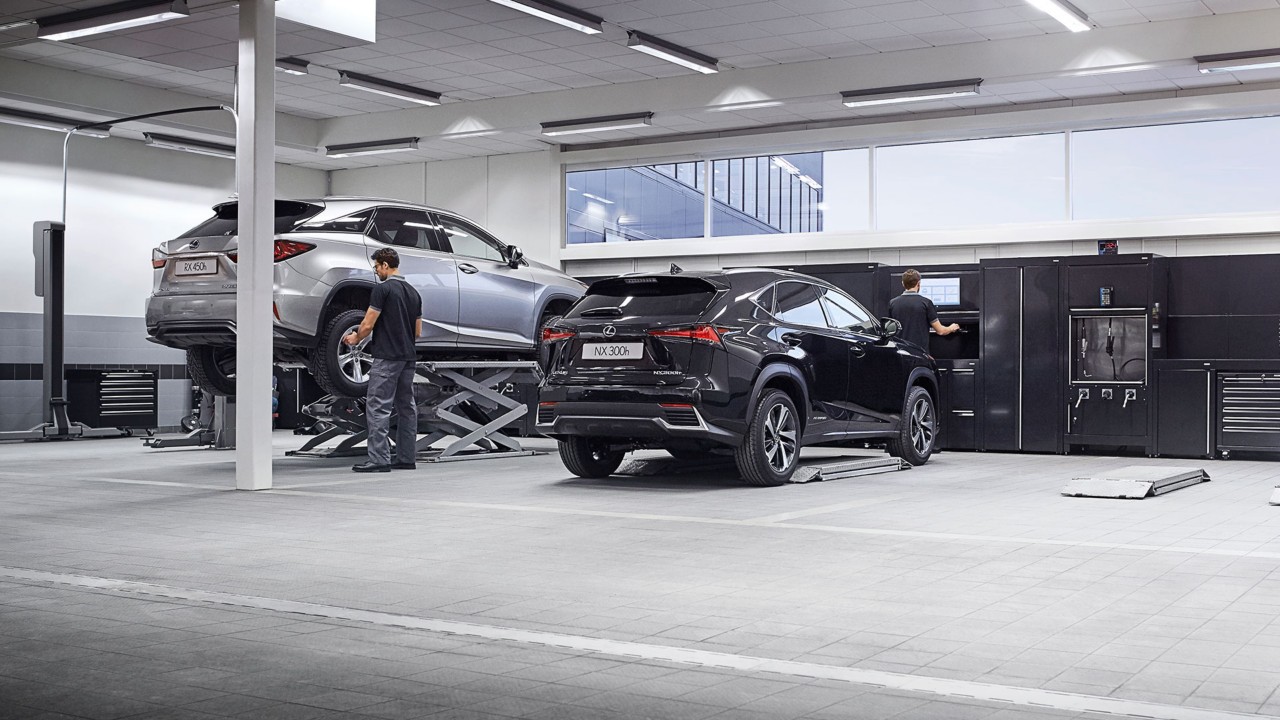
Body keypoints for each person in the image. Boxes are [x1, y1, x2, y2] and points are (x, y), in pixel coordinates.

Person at [345, 247, 423, 473]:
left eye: (377, 267)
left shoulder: (383, 290)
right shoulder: (414, 293)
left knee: (378, 407)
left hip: (387, 357)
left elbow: (368, 324)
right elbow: (417, 332)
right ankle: (407, 458)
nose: (376, 271)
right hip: (408, 358)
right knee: (406, 407)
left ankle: (379, 460)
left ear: (385, 265)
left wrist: (355, 337)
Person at [888, 268, 960, 351]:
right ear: (918, 283)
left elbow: (891, 331)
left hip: (900, 353)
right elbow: (941, 331)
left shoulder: (892, 303)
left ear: (903, 284)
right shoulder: (926, 303)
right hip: (919, 354)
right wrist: (952, 327)